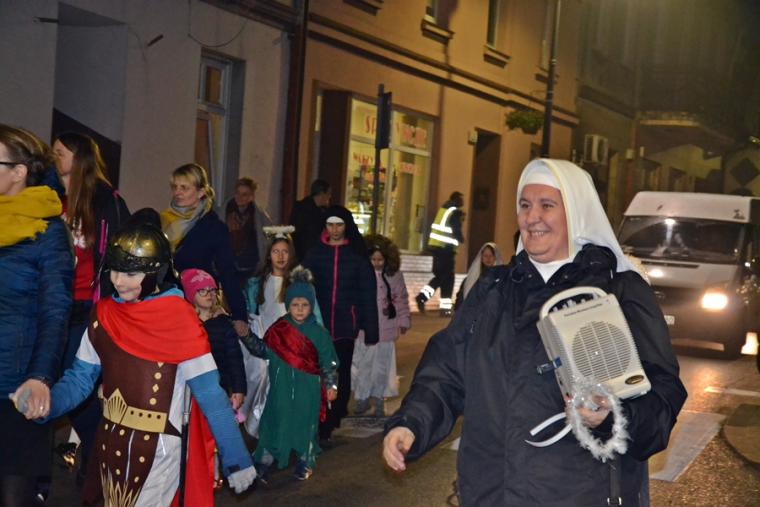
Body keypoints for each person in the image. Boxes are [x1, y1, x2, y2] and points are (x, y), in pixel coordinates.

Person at [383, 159, 687, 506]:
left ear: (575, 212)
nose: (532, 217)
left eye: (547, 205)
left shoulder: (618, 291)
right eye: (525, 205)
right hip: (492, 495)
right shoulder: (492, 292)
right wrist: (412, 424)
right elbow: (446, 373)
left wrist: (611, 417)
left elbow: (662, 397)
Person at [15, 209, 256, 506]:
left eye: (131, 273)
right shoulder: (105, 314)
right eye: (115, 271)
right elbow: (80, 379)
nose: (119, 281)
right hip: (111, 443)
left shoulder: (179, 319)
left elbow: (209, 393)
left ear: (155, 273)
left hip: (159, 450)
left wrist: (235, 456)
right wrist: (46, 403)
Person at [0, 125, 74, 506]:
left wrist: (41, 376)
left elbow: (56, 311)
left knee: (13, 495)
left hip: (16, 387)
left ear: (18, 172)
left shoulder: (48, 232)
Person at [51, 132, 130, 480]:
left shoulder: (105, 200)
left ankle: (99, 458)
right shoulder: (51, 198)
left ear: (79, 157)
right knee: (55, 381)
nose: (54, 156)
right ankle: (97, 456)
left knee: (78, 385)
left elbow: (118, 250)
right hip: (56, 304)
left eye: (60, 152)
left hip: (90, 306)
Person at [240, 267, 338, 482]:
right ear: (288, 305)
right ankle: (264, 461)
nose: (300, 309)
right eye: (295, 305)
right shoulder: (279, 329)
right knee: (274, 423)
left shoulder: (319, 334)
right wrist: (246, 336)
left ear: (311, 306)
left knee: (305, 425)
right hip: (280, 387)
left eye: (305, 305)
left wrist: (331, 385)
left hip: (308, 390)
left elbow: (328, 362)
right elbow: (262, 350)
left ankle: (305, 461)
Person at [302, 205, 379, 441]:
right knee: (319, 372)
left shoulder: (356, 256)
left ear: (346, 226)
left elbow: (367, 293)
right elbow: (302, 287)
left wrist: (370, 328)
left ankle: (335, 414)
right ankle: (320, 418)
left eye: (339, 225)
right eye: (330, 225)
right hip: (319, 325)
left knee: (340, 371)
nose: (334, 230)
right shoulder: (315, 254)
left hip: (346, 324)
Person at [160, 163, 249, 339]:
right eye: (175, 187)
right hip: (167, 305)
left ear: (201, 192)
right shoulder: (162, 221)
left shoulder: (214, 228)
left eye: (184, 187)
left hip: (198, 309)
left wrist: (239, 315)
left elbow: (228, 272)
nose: (178, 192)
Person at [352, 234, 411, 417]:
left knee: (381, 367)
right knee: (363, 366)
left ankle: (378, 397)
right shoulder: (360, 276)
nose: (377, 263)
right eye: (373, 259)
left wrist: (403, 320)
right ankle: (361, 397)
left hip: (386, 330)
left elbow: (401, 299)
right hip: (364, 330)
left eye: (380, 260)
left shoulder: (394, 276)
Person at [181, 269, 246, 412]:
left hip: (220, 386)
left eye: (211, 289)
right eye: (202, 290)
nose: (209, 294)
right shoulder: (186, 324)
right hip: (192, 388)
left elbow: (234, 358)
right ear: (191, 295)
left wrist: (238, 389)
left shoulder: (224, 323)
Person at [415, 191, 465, 316]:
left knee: (446, 278)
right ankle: (422, 297)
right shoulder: (453, 211)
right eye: (461, 199)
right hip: (445, 250)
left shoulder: (444, 209)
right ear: (456, 199)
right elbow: (455, 230)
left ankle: (445, 309)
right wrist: (461, 238)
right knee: (442, 277)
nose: (462, 202)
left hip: (439, 249)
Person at [224, 177, 272, 286]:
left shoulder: (259, 216)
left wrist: (262, 261)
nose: (240, 197)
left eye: (244, 194)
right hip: (228, 266)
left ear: (251, 197)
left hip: (250, 268)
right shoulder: (224, 212)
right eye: (238, 193)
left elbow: (269, 237)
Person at [453, 242, 504, 311]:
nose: (488, 258)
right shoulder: (472, 278)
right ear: (481, 257)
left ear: (495, 257)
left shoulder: (501, 278)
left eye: (491, 255)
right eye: (485, 255)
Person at [289, 178, 331, 261]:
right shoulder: (304, 210)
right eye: (328, 194)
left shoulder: (320, 211)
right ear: (322, 194)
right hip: (304, 257)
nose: (330, 197)